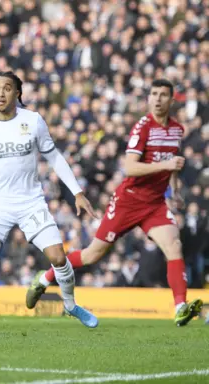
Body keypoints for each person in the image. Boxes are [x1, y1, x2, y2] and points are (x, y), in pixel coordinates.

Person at [26, 79, 203, 327]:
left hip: (154, 204)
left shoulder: (176, 130)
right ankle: (45, 278)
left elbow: (171, 162)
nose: (158, 99)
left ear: (172, 100)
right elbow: (130, 166)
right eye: (154, 94)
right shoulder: (142, 127)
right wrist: (166, 166)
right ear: (149, 98)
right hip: (128, 201)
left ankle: (180, 308)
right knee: (92, 255)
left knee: (174, 246)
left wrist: (174, 189)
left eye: (163, 95)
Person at [0, 71, 99, 331]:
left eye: (6, 88)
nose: (0, 93)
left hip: (31, 203)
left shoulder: (33, 121)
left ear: (17, 93)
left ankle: (70, 305)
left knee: (59, 257)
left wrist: (77, 192)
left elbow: (55, 157)